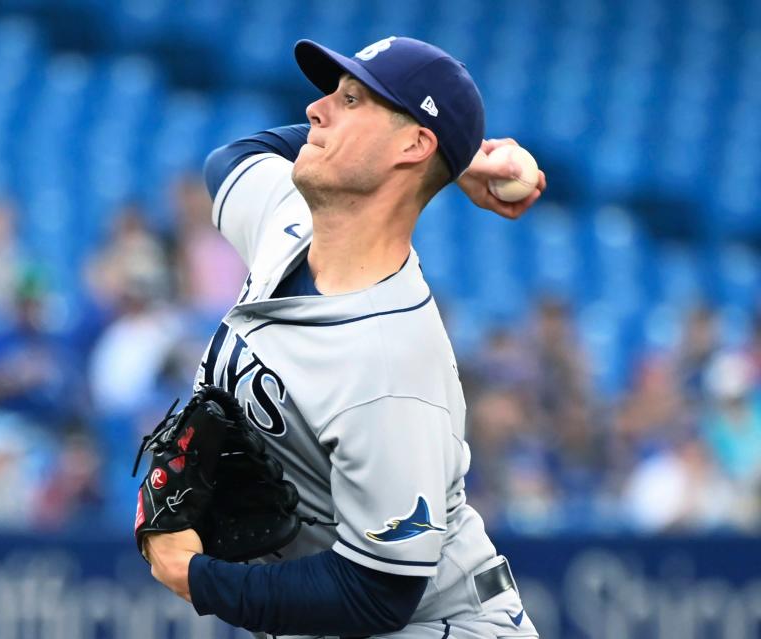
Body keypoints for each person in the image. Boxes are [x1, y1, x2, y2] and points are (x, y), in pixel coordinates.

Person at [143, 36, 546, 638]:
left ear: (412, 143)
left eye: (352, 99)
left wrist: (194, 578)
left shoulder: (391, 369)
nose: (316, 109)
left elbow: (377, 595)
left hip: (442, 624)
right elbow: (234, 156)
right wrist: (453, 160)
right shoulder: (291, 219)